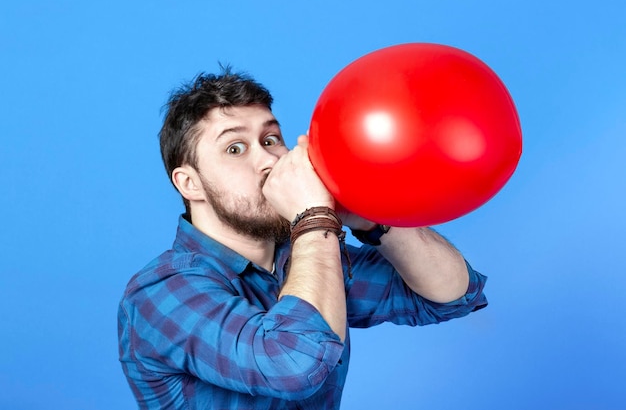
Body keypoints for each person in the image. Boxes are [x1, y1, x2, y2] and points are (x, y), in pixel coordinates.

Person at [117, 67, 488, 410]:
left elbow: (450, 294)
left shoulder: (307, 256)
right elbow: (293, 364)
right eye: (235, 148)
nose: (267, 160)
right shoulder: (160, 293)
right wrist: (313, 217)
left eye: (271, 138)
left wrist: (371, 219)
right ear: (190, 183)